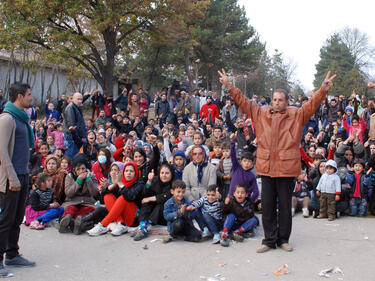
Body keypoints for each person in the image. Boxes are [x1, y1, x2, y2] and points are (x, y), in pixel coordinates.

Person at [218, 69, 336, 253]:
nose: (276, 102)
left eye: (280, 100)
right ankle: (269, 240)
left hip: (287, 168)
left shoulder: (296, 115)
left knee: (285, 205)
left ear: (287, 101)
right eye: (274, 99)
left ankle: (283, 240)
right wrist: (229, 86)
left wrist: (322, 90)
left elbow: (312, 105)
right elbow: (243, 101)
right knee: (268, 206)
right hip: (266, 167)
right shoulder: (261, 112)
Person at [0, 83, 35, 277]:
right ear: (20, 97)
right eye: (29, 94)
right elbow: (2, 152)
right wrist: (12, 178)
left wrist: (23, 175)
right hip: (10, 177)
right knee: (5, 219)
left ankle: (12, 253)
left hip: (23, 174)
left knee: (17, 218)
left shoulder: (23, 119)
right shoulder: (7, 119)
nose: (32, 97)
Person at [87, 161, 144, 236]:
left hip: (133, 218)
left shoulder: (140, 184)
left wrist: (120, 184)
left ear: (135, 173)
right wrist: (114, 184)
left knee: (123, 198)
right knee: (108, 196)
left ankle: (103, 225)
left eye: (131, 171)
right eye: (126, 171)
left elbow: (130, 196)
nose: (128, 173)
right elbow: (103, 194)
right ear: (123, 173)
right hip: (121, 216)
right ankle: (121, 223)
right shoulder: (121, 182)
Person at [133, 164, 175, 241]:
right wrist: (149, 181)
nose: (164, 175)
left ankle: (144, 226)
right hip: (153, 214)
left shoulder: (174, 183)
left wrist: (150, 198)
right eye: (162, 173)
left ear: (171, 174)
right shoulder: (155, 180)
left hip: (164, 216)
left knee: (162, 205)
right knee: (146, 203)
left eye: (167, 173)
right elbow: (145, 194)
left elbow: (167, 196)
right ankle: (142, 226)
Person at [63, 93, 87, 158]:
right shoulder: (71, 108)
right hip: (71, 135)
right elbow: (72, 124)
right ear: (73, 99)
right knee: (71, 154)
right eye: (78, 99)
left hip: (76, 135)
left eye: (81, 99)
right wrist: (75, 134)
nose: (80, 101)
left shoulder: (77, 107)